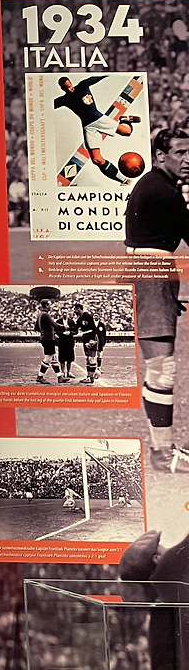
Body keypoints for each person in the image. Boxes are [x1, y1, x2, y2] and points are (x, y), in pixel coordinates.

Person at [124, 127, 189, 471]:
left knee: (159, 367)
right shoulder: (164, 191)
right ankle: (162, 453)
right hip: (153, 273)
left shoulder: (155, 184)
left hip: (150, 271)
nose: (187, 159)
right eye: (180, 152)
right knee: (161, 367)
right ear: (161, 156)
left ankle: (162, 449)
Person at [54, 76, 140, 184]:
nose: (69, 89)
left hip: (99, 119)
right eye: (66, 88)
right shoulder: (64, 100)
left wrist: (109, 72)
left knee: (127, 132)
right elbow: (46, 105)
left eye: (70, 86)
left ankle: (124, 119)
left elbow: (96, 77)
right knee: (96, 160)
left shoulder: (82, 86)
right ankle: (124, 180)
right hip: (88, 127)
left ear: (71, 83)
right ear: (62, 89)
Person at [34, 299, 63, 385]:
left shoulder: (40, 314)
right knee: (48, 357)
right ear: (46, 305)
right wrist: (64, 327)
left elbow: (36, 328)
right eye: (49, 305)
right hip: (48, 339)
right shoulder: (46, 314)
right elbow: (55, 325)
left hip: (45, 338)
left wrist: (44, 330)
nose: (51, 306)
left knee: (54, 357)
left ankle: (60, 377)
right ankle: (40, 376)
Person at [73, 301, 100, 384]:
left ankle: (92, 377)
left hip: (91, 337)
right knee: (87, 358)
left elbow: (94, 329)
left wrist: (92, 340)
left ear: (79, 309)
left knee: (91, 358)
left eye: (75, 309)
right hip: (85, 338)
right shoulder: (79, 319)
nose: (74, 311)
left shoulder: (88, 316)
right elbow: (75, 329)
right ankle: (88, 377)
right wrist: (66, 330)